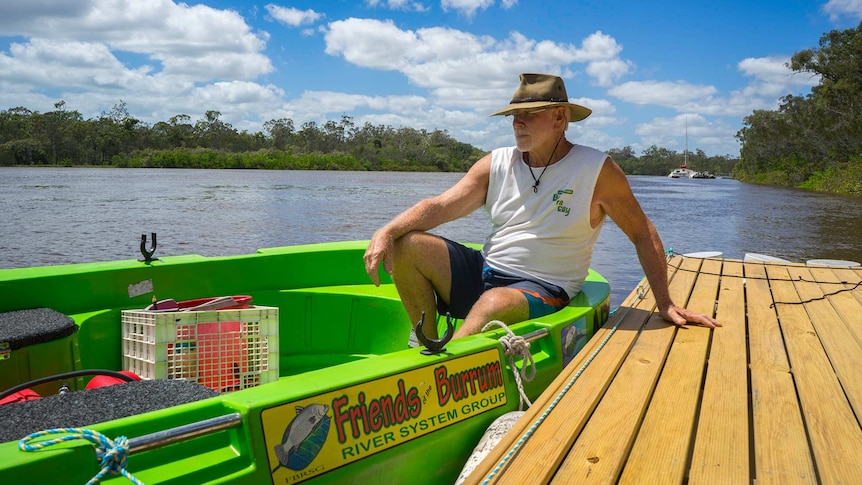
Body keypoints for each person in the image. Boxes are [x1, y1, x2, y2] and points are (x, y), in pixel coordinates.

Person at [363, 73, 721, 345]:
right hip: (487, 271)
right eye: (514, 116)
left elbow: (642, 233)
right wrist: (385, 232)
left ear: (560, 118)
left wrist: (664, 302)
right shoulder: (497, 162)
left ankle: (445, 372)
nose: (518, 123)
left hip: (543, 287)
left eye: (530, 114)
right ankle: (429, 345)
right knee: (405, 244)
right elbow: (439, 206)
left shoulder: (597, 170)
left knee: (493, 303)